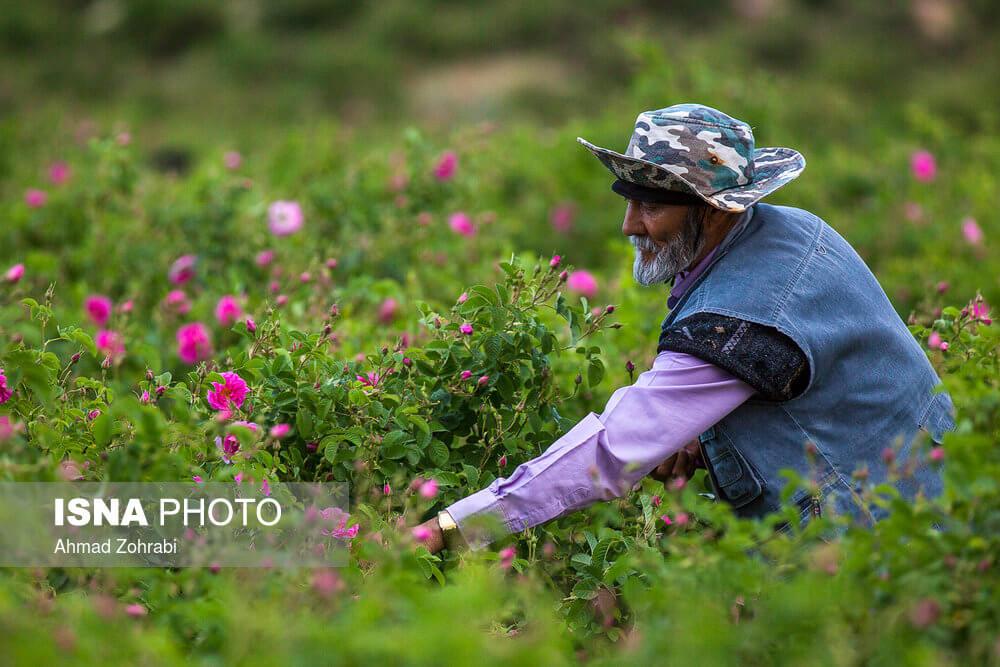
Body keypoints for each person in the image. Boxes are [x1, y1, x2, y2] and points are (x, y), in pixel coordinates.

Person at [414, 103, 957, 555]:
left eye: (652, 208)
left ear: (716, 211)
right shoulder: (793, 231)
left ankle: (338, 542)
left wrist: (450, 530)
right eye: (630, 202)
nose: (630, 226)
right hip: (940, 496)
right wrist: (705, 434)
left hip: (883, 542)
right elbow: (809, 385)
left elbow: (609, 451)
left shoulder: (745, 312)